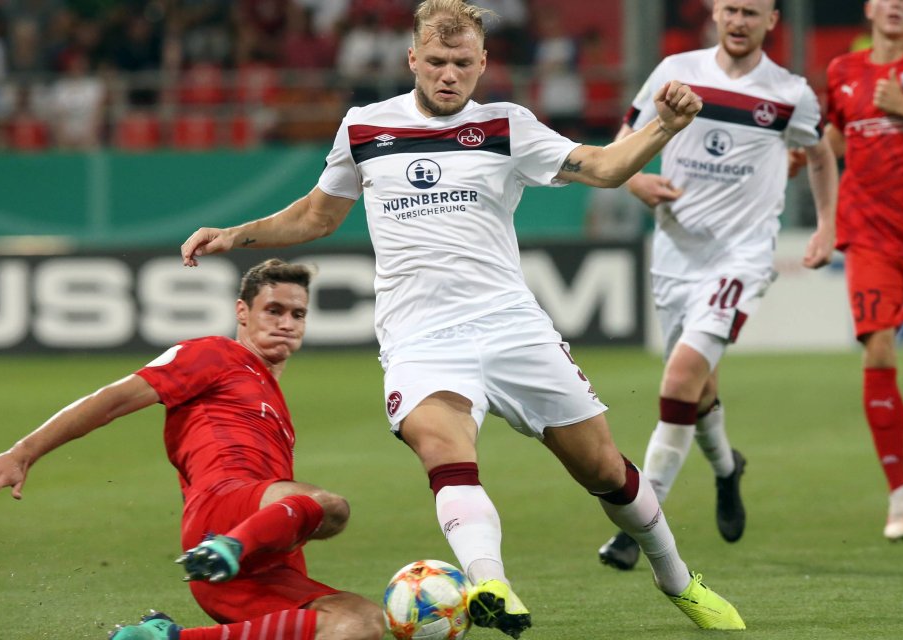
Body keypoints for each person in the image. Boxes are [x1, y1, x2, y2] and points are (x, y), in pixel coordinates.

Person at [181, 1, 745, 635]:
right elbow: (317, 215)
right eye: (438, 62)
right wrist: (236, 235)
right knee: (444, 451)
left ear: (483, 64)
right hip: (419, 337)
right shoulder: (365, 129)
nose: (449, 75)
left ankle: (677, 579)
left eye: (462, 64)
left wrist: (662, 128)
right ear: (413, 60)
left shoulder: (508, 126)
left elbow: (606, 168)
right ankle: (489, 583)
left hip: (511, 325)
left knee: (604, 471)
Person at [0, 259, 387, 640]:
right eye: (273, 310)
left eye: (298, 314)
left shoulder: (268, 392)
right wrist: (24, 451)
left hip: (260, 567)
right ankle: (230, 545)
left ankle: (168, 637)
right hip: (223, 512)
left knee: (361, 622)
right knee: (328, 507)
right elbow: (111, 400)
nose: (286, 322)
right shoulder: (213, 354)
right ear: (242, 311)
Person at [597, 0, 839, 571]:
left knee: (680, 377)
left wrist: (829, 224)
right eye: (730, 8)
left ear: (772, 21)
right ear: (714, 12)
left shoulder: (789, 93)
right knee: (697, 391)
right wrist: (636, 183)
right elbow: (623, 138)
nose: (738, 20)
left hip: (741, 258)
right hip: (674, 256)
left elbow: (821, 153)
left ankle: (640, 524)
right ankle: (728, 468)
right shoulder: (675, 71)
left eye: (752, 13)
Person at [823, 0, 903, 541]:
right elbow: (841, 134)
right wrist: (808, 155)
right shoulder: (844, 70)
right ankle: (901, 497)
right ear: (869, 7)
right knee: (879, 347)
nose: (896, 5)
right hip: (870, 238)